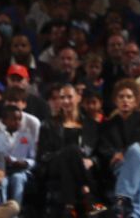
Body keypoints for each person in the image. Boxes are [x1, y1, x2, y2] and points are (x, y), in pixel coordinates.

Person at [36, 83, 104, 216]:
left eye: (69, 97)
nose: (65, 101)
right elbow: (43, 156)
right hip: (54, 166)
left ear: (78, 98)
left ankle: (69, 206)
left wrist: (92, 161)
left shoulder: (91, 125)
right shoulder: (48, 125)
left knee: (72, 159)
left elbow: (99, 153)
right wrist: (64, 155)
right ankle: (87, 194)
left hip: (81, 168)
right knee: (72, 151)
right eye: (62, 98)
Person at [98, 79, 140, 218]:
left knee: (136, 150)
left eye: (129, 97)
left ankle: (121, 199)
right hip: (121, 167)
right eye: (121, 97)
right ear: (115, 101)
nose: (125, 100)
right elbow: (104, 149)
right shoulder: (108, 125)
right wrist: (115, 155)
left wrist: (125, 153)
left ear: (136, 101)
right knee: (137, 172)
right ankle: (135, 214)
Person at [0, 105, 36, 205]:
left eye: (19, 119)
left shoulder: (27, 137)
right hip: (1, 170)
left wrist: (25, 163)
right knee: (2, 182)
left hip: (20, 170)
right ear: (4, 121)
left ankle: (15, 212)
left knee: (17, 178)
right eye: (13, 119)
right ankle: (2, 211)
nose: (17, 122)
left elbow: (33, 158)